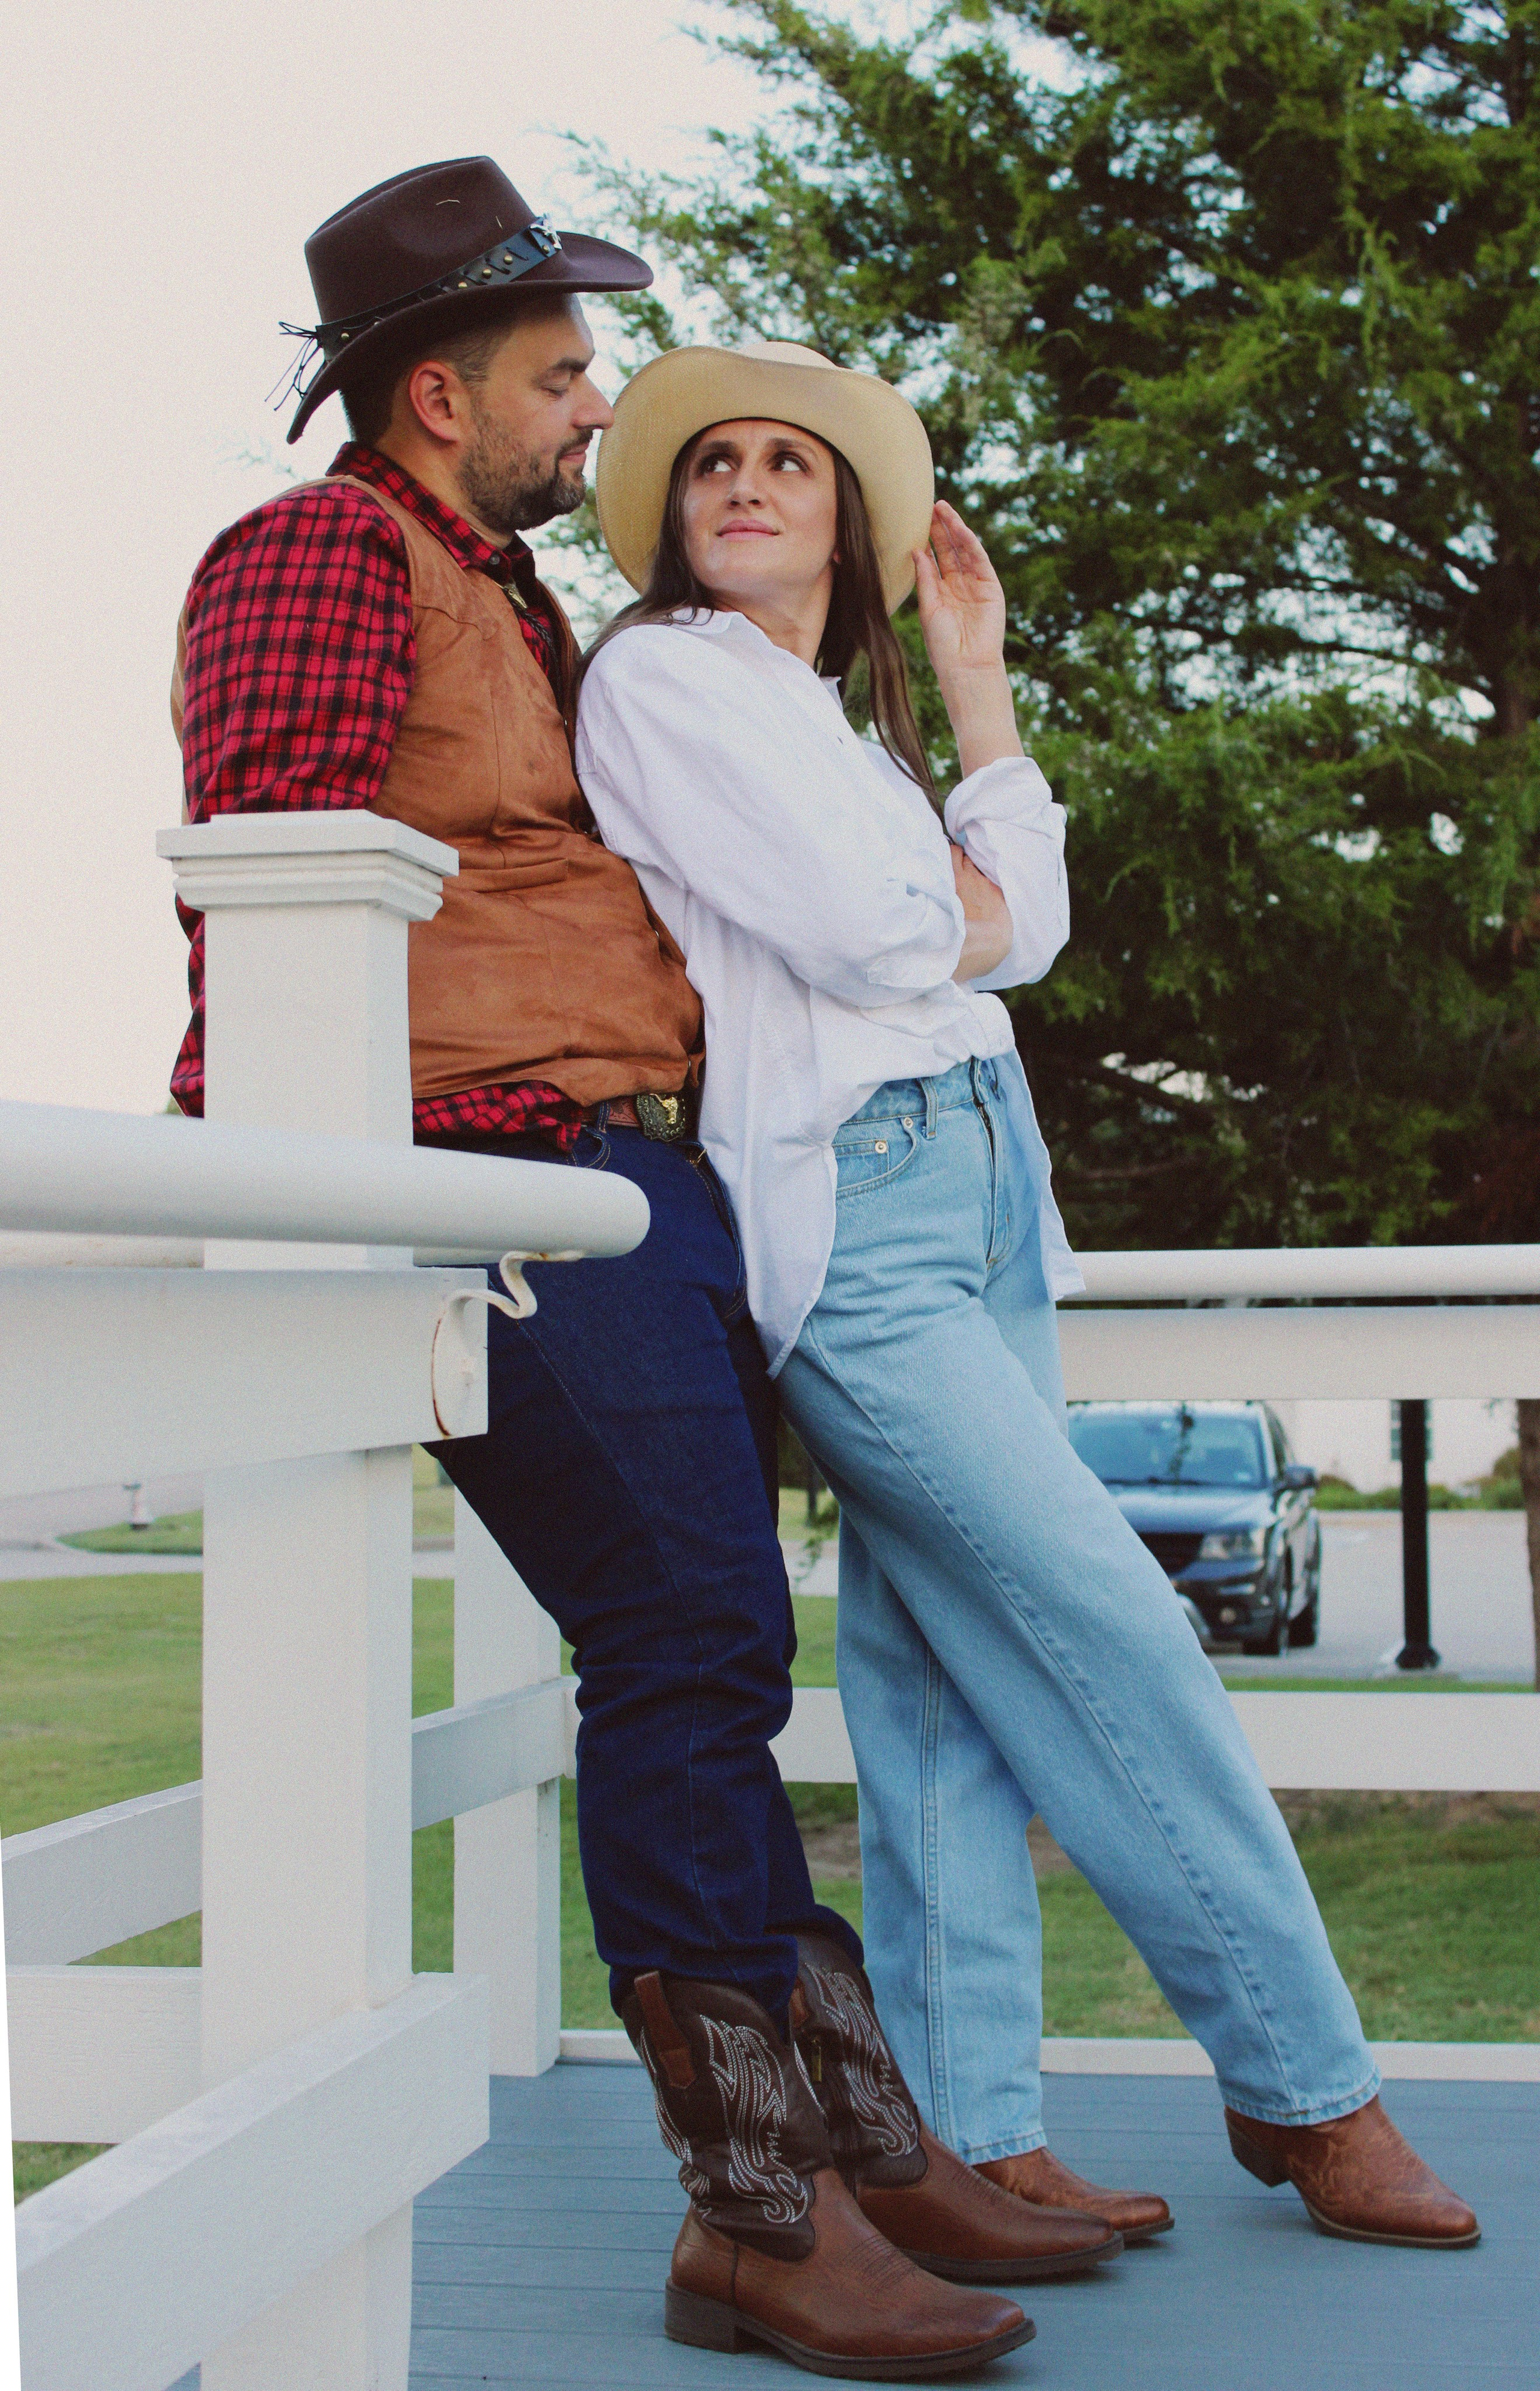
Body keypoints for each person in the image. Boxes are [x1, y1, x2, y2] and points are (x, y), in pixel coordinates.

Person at [168, 156, 1113, 2383]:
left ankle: (865, 2156)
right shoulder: (316, 548)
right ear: (430, 393)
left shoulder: (509, 598)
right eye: (561, 370)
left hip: (622, 1173)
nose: (594, 410)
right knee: (682, 1637)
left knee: (714, 1646)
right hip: (483, 1175)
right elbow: (273, 870)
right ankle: (755, 2219)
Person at [574, 337, 1482, 2255]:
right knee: (1116, 1630)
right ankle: (1312, 2091)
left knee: (933, 1694)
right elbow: (888, 929)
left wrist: (977, 688)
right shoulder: (660, 679)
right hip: (866, 1217)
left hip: (991, 1187)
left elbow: (1024, 930)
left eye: (789, 467)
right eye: (713, 463)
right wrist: (957, 916)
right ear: (673, 513)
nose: (745, 486)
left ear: (847, 519)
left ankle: (973, 2131)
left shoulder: (842, 725)